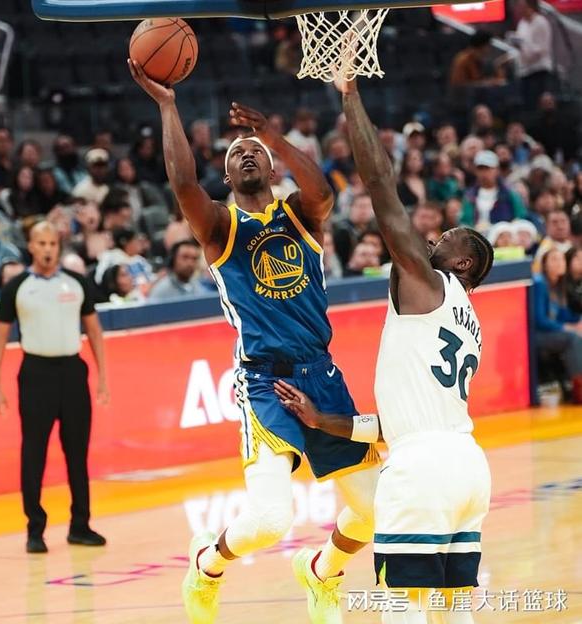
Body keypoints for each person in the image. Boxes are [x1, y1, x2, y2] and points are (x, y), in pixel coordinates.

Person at [129, 59, 380, 624]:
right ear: (227, 177)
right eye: (235, 152)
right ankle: (207, 564)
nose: (245, 153)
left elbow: (322, 189)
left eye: (255, 151)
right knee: (270, 520)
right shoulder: (220, 227)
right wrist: (168, 106)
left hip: (322, 373)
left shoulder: (301, 214)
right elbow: (183, 185)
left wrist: (274, 136)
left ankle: (322, 570)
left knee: (372, 512)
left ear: (270, 167)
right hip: (266, 381)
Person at [277, 71, 495, 624]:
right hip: (467, 468)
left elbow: (379, 184)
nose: (430, 240)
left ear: (461, 264)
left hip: (422, 470)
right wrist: (324, 421)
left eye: (443, 240)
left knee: (404, 610)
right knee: (454, 610)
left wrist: (350, 95)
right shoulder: (469, 321)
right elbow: (403, 419)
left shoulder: (430, 283)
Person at [0, 221, 109, 553]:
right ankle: (35, 529)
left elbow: (94, 331)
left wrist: (102, 377)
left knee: (77, 452)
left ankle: (80, 525)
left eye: (52, 244)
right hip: (36, 374)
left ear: (59, 247)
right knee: (34, 452)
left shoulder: (77, 283)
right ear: (31, 246)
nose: (47, 249)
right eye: (41, 243)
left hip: (72, 372)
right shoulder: (17, 287)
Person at [533, 248, 582, 403]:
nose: (559, 263)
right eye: (554, 259)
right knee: (572, 339)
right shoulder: (539, 283)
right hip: (535, 336)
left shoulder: (558, 286)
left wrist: (578, 322)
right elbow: (539, 320)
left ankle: (570, 385)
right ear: (544, 264)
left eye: (561, 259)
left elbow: (563, 316)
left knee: (576, 335)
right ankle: (578, 388)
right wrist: (565, 328)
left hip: (550, 334)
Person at [511, 0, 554, 109]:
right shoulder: (522, 23)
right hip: (525, 70)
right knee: (528, 105)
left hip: (539, 70)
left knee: (540, 104)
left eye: (521, 6)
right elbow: (521, 42)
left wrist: (526, 49)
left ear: (530, 7)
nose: (519, 9)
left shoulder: (541, 22)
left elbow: (542, 48)